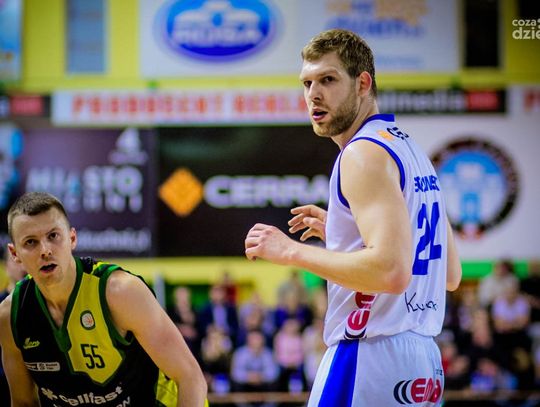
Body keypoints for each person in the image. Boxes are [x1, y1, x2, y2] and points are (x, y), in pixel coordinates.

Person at [244, 29, 462, 406]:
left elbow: (391, 272)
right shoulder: (410, 149)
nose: (314, 94)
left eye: (328, 80)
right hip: (422, 362)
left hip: (369, 357)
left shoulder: (362, 153)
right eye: (307, 83)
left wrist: (290, 251)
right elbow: (450, 274)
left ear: (362, 84)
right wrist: (347, 235)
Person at [0, 192, 207, 406]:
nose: (45, 250)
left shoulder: (119, 292)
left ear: (72, 238)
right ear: (14, 254)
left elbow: (190, 378)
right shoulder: (10, 316)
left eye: (53, 236)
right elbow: (23, 402)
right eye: (31, 242)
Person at [0, 248, 27, 406]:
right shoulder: (2, 307)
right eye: (16, 260)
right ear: (6, 266)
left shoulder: (48, 305)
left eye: (24, 260)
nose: (22, 266)